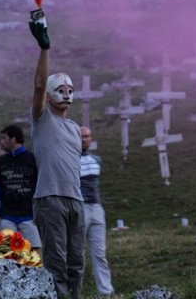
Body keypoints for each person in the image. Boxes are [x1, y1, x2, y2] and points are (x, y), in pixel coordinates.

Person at [29, 10, 85, 299]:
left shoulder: (75, 128)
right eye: (60, 90)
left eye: (71, 90)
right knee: (56, 263)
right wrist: (44, 47)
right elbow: (39, 85)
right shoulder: (42, 119)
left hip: (75, 199)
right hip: (50, 199)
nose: (67, 94)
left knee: (77, 263)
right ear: (51, 96)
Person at [0, 125, 42, 251]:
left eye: (4, 138)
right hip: (7, 217)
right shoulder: (1, 162)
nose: (1, 141)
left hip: (30, 217)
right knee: (7, 254)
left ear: (13, 139)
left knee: (36, 254)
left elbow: (42, 185)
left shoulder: (33, 159)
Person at [79, 126, 114, 297]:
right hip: (80, 209)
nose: (84, 139)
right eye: (81, 137)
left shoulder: (97, 159)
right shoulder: (70, 160)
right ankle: (74, 291)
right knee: (77, 254)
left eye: (87, 136)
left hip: (97, 208)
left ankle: (106, 292)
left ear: (91, 138)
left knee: (100, 254)